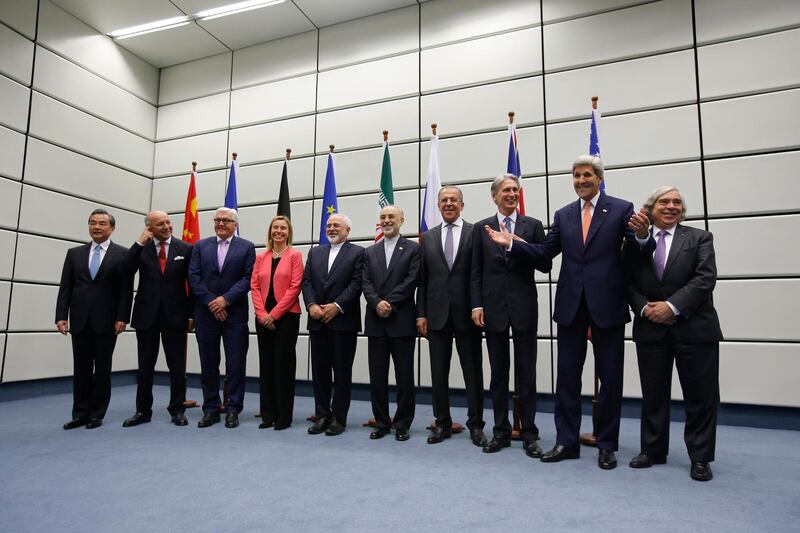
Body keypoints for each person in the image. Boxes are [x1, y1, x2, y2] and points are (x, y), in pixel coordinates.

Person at [486, 155, 648, 469]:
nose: (581, 181)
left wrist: (643, 236)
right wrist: (512, 244)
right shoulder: (564, 215)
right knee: (567, 380)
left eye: (587, 175)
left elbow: (639, 252)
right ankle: (567, 442)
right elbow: (546, 252)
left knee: (610, 379)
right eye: (576, 176)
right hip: (571, 307)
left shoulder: (620, 209)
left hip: (608, 307)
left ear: (599, 178)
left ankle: (607, 445)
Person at [624, 186, 722, 481]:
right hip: (650, 328)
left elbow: (705, 279)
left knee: (701, 396)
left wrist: (671, 306)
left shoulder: (700, 238)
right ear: (650, 209)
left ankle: (701, 457)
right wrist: (644, 309)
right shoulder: (634, 242)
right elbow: (625, 280)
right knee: (653, 395)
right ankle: (653, 450)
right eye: (664, 202)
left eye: (677, 202)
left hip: (696, 328)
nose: (671, 206)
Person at [471, 174, 551, 456]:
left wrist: (515, 242)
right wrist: (477, 305)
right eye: (506, 190)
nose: (511, 194)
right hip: (493, 310)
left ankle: (529, 433)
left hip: (524, 307)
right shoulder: (481, 228)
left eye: (515, 190)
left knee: (527, 373)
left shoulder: (533, 226)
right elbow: (475, 272)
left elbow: (544, 263)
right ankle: (501, 431)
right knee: (498, 374)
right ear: (494, 196)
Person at [417, 186, 486, 446]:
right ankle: (442, 423)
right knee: (438, 373)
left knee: (473, 372)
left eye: (453, 200)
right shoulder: (429, 236)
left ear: (462, 205)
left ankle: (476, 425)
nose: (448, 204)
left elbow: (479, 274)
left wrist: (478, 306)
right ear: (438, 205)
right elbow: (422, 282)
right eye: (444, 200)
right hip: (436, 315)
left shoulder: (474, 233)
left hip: (468, 315)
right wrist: (420, 313)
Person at [56, 209, 133, 429]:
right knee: (80, 368)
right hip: (79, 319)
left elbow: (126, 291)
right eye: (92, 223)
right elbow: (65, 287)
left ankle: (96, 413)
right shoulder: (74, 254)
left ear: (112, 228)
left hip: (107, 321)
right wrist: (61, 316)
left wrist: (122, 318)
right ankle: (80, 413)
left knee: (102, 368)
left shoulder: (123, 254)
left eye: (101, 223)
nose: (96, 227)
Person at [121, 211, 194, 428]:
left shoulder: (186, 249)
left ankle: (177, 409)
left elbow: (193, 284)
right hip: (146, 317)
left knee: (177, 367)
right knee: (145, 367)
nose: (166, 226)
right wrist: (138, 242)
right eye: (160, 224)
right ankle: (143, 411)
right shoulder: (141, 249)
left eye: (168, 222)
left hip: (176, 316)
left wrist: (191, 314)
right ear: (149, 228)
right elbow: (125, 270)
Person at [188, 207, 255, 429]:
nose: (220, 224)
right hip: (206, 314)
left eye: (226, 220)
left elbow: (247, 279)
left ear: (235, 224)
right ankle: (210, 409)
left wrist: (225, 300)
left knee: (235, 364)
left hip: (234, 315)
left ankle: (233, 409)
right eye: (217, 220)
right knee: (208, 364)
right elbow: (194, 276)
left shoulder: (246, 247)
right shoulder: (200, 246)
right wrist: (212, 302)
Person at [302, 213, 364, 436]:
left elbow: (357, 283)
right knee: (319, 372)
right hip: (317, 321)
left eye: (336, 225)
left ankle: (339, 417)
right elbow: (306, 282)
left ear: (347, 230)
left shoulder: (358, 252)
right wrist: (311, 305)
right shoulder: (315, 252)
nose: (331, 229)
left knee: (342, 372)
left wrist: (337, 306)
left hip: (343, 322)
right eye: (328, 225)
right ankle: (322, 415)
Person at [362, 205, 420, 441]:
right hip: (376, 321)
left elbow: (412, 280)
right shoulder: (369, 252)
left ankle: (403, 423)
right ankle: (382, 422)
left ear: (401, 220)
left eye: (391, 217)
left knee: (404, 375)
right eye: (383, 217)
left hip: (401, 320)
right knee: (377, 375)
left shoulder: (413, 249)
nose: (386, 221)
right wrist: (377, 303)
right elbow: (365, 282)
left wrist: (389, 303)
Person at [251, 215, 303, 430]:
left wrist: (275, 314)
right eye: (275, 228)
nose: (278, 231)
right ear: (270, 231)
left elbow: (295, 287)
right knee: (267, 365)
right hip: (263, 318)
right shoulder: (260, 257)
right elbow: (254, 286)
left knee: (283, 366)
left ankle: (284, 416)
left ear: (288, 232)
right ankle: (268, 414)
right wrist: (263, 314)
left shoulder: (295, 256)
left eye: (283, 228)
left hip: (287, 317)